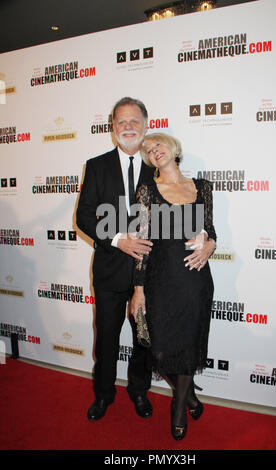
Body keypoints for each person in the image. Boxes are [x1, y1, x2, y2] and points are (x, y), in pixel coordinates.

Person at [131, 132, 216, 440]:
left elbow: (210, 231)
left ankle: (179, 407)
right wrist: (138, 290)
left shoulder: (202, 187)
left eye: (159, 145)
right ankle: (191, 396)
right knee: (160, 350)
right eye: (149, 149)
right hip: (159, 281)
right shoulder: (147, 191)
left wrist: (210, 246)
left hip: (194, 281)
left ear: (173, 149)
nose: (155, 150)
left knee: (188, 346)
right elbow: (140, 244)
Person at [76, 97, 155, 420]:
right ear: (112, 128)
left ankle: (138, 391)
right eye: (121, 122)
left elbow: (174, 214)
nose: (128, 127)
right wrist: (118, 239)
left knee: (143, 340)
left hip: (148, 275)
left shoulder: (158, 165)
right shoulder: (96, 165)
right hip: (109, 270)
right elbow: (83, 217)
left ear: (146, 125)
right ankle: (103, 394)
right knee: (107, 338)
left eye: (134, 121)